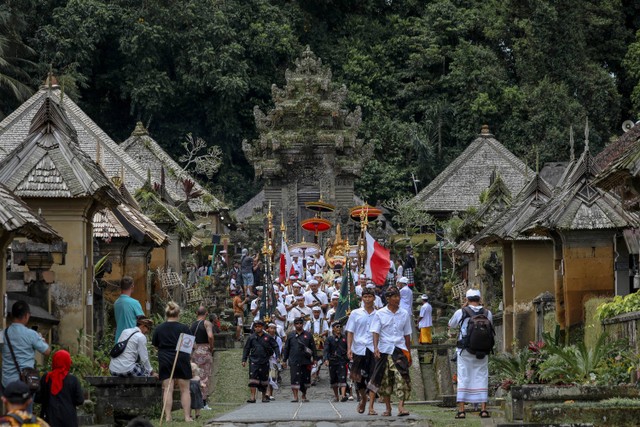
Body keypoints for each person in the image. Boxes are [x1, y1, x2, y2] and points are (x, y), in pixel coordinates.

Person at [448, 289, 492, 419]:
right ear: (479, 298)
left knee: (464, 377)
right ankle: (483, 410)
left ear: (467, 299)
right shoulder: (487, 313)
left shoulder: (461, 312)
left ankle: (461, 411)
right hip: (483, 350)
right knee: (481, 376)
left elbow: (451, 324)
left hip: (465, 350)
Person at [368, 286, 412, 417]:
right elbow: (375, 332)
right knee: (384, 380)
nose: (397, 299)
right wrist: (375, 347)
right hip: (384, 350)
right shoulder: (380, 313)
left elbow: (407, 334)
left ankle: (401, 406)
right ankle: (388, 408)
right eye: (394, 297)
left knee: (402, 377)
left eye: (398, 296)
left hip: (399, 349)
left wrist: (408, 352)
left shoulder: (404, 313)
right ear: (388, 299)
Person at [152, 302, 193, 423]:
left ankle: (168, 416)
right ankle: (187, 417)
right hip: (181, 358)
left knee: (167, 388)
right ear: (178, 313)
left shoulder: (159, 328)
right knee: (185, 389)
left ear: (166, 314)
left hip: (164, 358)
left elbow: (155, 346)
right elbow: (190, 346)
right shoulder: (184, 328)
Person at [2, 301, 51, 390]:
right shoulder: (31, 334)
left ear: (12, 315)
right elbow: (47, 351)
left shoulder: (3, 334)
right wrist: (42, 340)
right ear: (26, 315)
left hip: (7, 383)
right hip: (26, 382)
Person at [345, 287, 377, 415]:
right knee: (358, 378)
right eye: (365, 297)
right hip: (358, 348)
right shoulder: (355, 313)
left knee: (373, 378)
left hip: (373, 349)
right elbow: (350, 332)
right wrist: (349, 348)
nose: (368, 299)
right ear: (362, 298)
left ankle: (371, 406)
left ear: (374, 298)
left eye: (370, 296)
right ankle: (363, 397)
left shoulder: (378, 314)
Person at [35, 350, 83, 427]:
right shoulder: (73, 379)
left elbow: (38, 398)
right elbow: (79, 400)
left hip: (49, 419)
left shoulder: (46, 378)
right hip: (69, 419)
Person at [242, 320, 280, 403]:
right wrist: (244, 360)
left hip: (264, 360)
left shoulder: (268, 337)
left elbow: (275, 346)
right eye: (256, 327)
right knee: (253, 379)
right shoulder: (251, 337)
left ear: (262, 327)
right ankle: (252, 397)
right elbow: (246, 349)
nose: (257, 328)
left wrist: (277, 356)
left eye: (259, 326)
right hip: (254, 360)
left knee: (264, 379)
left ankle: (264, 397)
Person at [282, 317, 316, 403]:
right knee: (294, 378)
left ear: (303, 324)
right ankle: (295, 397)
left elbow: (313, 348)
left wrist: (315, 359)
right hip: (294, 360)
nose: (299, 325)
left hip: (305, 360)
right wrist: (284, 360)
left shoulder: (308, 335)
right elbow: (286, 348)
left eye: (300, 323)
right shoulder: (290, 335)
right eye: (297, 324)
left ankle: (304, 395)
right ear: (294, 325)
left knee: (305, 379)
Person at [190, 306, 214, 410]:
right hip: (205, 351)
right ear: (206, 313)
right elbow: (210, 336)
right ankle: (204, 403)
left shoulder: (192, 325)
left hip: (195, 352)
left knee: (196, 376)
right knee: (205, 377)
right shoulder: (206, 323)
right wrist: (211, 347)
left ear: (196, 313)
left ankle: (195, 402)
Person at [114, 276, 144, 343]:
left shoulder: (116, 303)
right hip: (131, 341)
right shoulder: (135, 303)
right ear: (132, 286)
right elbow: (143, 322)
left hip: (118, 340)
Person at [324, 322, 348, 402]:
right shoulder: (329, 339)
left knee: (343, 377)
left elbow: (348, 348)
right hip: (333, 360)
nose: (339, 328)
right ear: (333, 328)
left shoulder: (345, 338)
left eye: (340, 326)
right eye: (337, 326)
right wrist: (326, 359)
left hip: (342, 360)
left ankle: (343, 395)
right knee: (333, 379)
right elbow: (326, 350)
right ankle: (336, 396)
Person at [305, 306, 328, 386]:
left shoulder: (323, 321)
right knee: (312, 358)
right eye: (315, 312)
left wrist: (320, 335)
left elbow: (326, 330)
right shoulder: (309, 322)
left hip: (320, 342)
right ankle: (313, 375)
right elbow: (306, 331)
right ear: (313, 313)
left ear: (319, 313)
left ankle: (316, 373)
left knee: (320, 358)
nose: (316, 314)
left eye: (318, 312)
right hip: (311, 342)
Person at [265, 323, 283, 400]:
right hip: (265, 359)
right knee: (266, 377)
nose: (272, 330)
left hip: (274, 359)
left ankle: (271, 393)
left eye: (274, 328)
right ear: (268, 329)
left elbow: (279, 348)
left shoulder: (278, 339)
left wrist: (277, 357)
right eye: (271, 328)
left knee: (272, 376)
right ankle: (266, 393)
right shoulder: (264, 338)